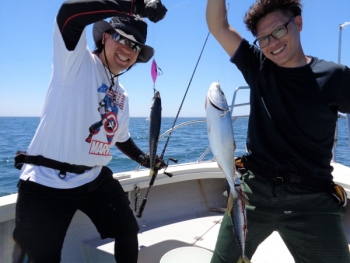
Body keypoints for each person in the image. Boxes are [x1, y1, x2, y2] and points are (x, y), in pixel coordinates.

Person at [12, 1, 167, 262]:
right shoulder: (75, 62)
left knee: (127, 229)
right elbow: (69, 15)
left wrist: (145, 160)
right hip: (46, 180)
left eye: (135, 46)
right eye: (121, 38)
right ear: (105, 37)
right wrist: (134, 5)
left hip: (93, 178)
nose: (127, 49)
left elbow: (121, 139)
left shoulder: (122, 94)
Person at [206, 0, 350, 262]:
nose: (272, 43)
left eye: (278, 31)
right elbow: (218, 26)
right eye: (263, 38)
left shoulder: (336, 76)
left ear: (298, 23)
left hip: (313, 200)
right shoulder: (258, 66)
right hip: (253, 192)